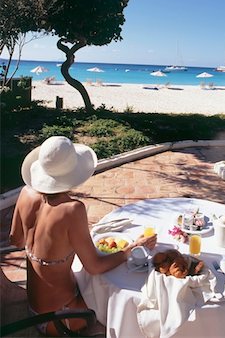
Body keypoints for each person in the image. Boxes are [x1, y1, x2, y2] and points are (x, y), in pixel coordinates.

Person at [10, 136, 157, 336]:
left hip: (34, 307)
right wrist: (131, 250)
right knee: (123, 317)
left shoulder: (26, 193)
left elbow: (15, 240)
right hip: (62, 317)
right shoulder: (72, 209)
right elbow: (95, 267)